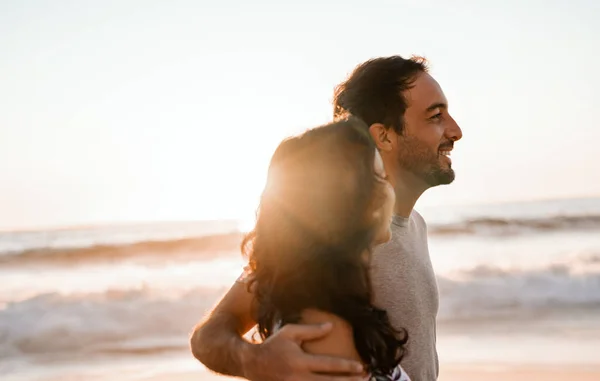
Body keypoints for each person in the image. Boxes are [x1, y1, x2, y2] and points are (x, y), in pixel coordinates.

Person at [190, 55, 463, 381]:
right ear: (385, 136)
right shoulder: (337, 236)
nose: (455, 131)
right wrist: (254, 362)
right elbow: (211, 334)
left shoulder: (414, 225)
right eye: (435, 116)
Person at [236, 116, 410, 380]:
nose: (390, 187)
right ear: (349, 201)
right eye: (379, 176)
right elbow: (210, 335)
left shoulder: (312, 301)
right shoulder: (325, 331)